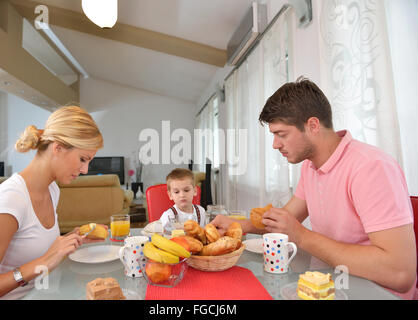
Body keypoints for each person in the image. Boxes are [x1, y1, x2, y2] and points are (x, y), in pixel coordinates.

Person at [211, 78, 417, 299]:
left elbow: (400, 274)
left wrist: (301, 236)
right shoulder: (311, 166)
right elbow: (287, 219)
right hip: (323, 285)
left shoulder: (371, 167)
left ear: (313, 126)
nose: (275, 144)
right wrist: (239, 226)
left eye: (281, 134)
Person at [0, 106, 104, 300]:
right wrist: (42, 262)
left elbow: (37, 247)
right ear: (58, 147)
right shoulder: (10, 201)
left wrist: (70, 239)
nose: (85, 170)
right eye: (83, 159)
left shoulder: (52, 190)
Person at [159, 168, 206, 235]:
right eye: (176, 192)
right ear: (170, 195)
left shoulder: (201, 211)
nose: (182, 195)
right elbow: (159, 235)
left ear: (195, 191)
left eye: (186, 190)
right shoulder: (168, 216)